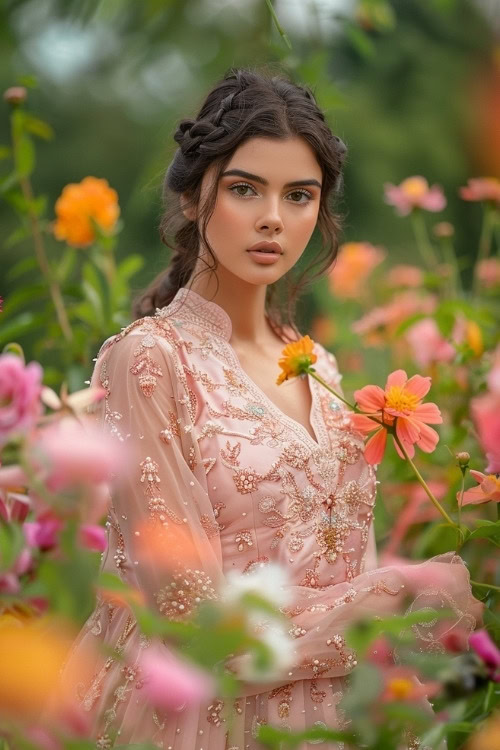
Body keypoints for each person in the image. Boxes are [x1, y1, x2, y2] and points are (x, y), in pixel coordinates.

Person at [61, 67, 482, 750]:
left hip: (346, 720)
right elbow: (192, 622)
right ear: (195, 197)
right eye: (244, 189)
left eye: (299, 196)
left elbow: (354, 558)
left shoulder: (320, 366)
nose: (272, 219)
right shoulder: (149, 361)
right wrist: (399, 596)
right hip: (201, 719)